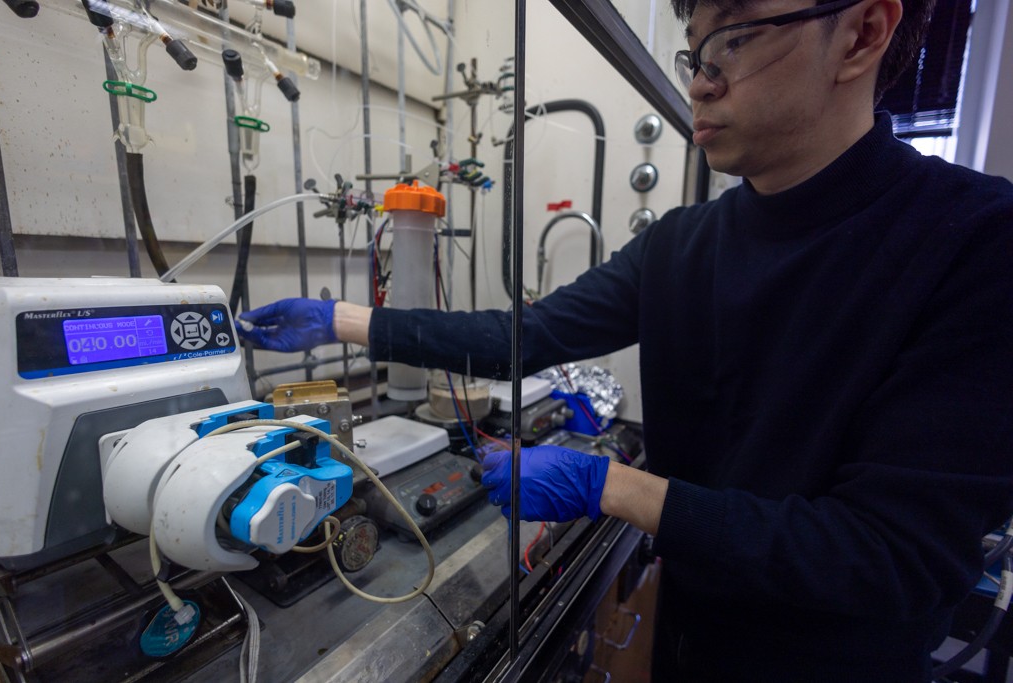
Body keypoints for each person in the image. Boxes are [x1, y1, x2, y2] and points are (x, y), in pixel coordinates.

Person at [236, 0, 1013, 679]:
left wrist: (607, 487)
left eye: (735, 36)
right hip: (690, 640)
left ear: (861, 34)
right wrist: (344, 320)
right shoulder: (683, 243)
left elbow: (890, 559)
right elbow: (525, 334)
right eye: (695, 52)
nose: (702, 81)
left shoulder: (974, 240)